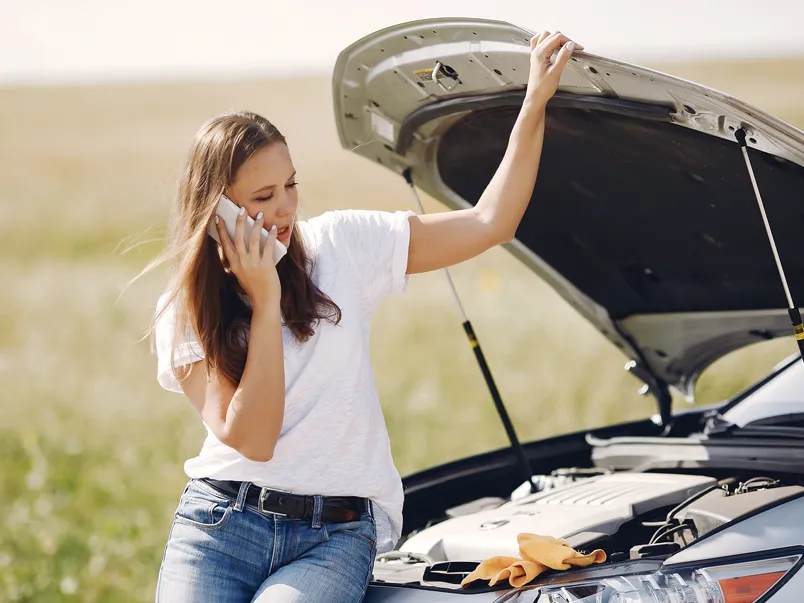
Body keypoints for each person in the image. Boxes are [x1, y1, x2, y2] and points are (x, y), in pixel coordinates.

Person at [148, 30, 580, 603]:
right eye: (261, 197)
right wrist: (266, 300)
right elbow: (252, 438)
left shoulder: (341, 246)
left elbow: (489, 223)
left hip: (335, 535)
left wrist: (533, 104)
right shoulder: (184, 309)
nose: (285, 209)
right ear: (217, 209)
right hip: (221, 524)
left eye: (291, 185)